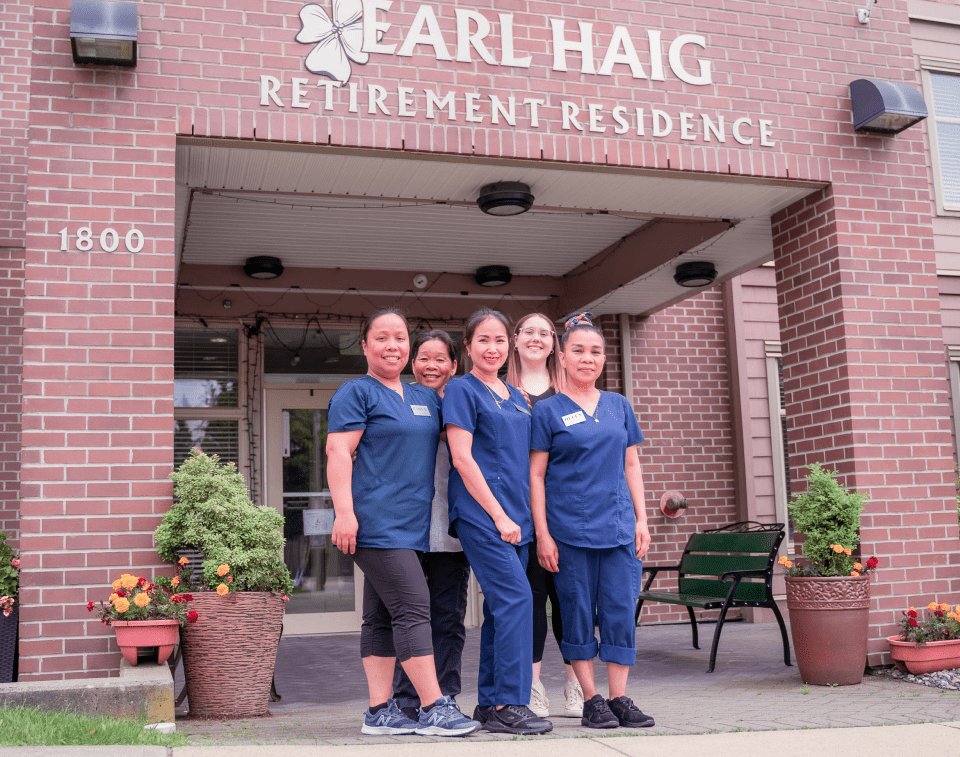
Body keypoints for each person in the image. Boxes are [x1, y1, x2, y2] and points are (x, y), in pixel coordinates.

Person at [326, 309, 480, 737]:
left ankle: (380, 711)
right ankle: (433, 706)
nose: (391, 346)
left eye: (399, 338)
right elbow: (339, 453)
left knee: (379, 617)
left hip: (411, 528)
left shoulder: (426, 398)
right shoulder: (356, 393)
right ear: (364, 345)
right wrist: (344, 512)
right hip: (376, 523)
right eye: (381, 338)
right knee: (414, 609)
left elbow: (463, 433)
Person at [529, 311, 654, 730]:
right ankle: (591, 699)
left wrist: (642, 519)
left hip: (618, 529)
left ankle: (619, 697)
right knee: (577, 612)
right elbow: (536, 475)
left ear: (604, 359)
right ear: (561, 357)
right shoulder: (546, 411)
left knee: (620, 610)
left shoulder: (619, 405)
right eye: (578, 350)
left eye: (596, 351)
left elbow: (631, 464)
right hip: (570, 532)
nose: (588, 358)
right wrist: (543, 534)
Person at [443, 308, 553, 735]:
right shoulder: (461, 390)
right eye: (483, 340)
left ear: (510, 347)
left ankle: (490, 704)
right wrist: (499, 515)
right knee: (517, 600)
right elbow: (462, 459)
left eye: (500, 340)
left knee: (500, 608)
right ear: (467, 347)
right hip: (482, 514)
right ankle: (511, 701)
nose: (493, 348)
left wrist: (523, 519)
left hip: (518, 517)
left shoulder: (516, 396)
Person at [505, 313, 583, 719]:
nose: (536, 338)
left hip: (566, 514)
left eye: (544, 333)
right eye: (528, 332)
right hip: (518, 513)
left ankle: (576, 685)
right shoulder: (499, 392)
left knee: (570, 600)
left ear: (555, 343)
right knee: (532, 601)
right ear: (514, 341)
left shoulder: (571, 395)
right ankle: (533, 689)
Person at [392, 330, 471, 722]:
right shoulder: (400, 402)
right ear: (412, 363)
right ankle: (408, 699)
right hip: (407, 531)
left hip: (452, 530)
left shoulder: (466, 401)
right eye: (424, 358)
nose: (431, 366)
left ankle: (446, 695)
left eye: (440, 359)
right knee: (408, 617)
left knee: (448, 619)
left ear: (453, 366)